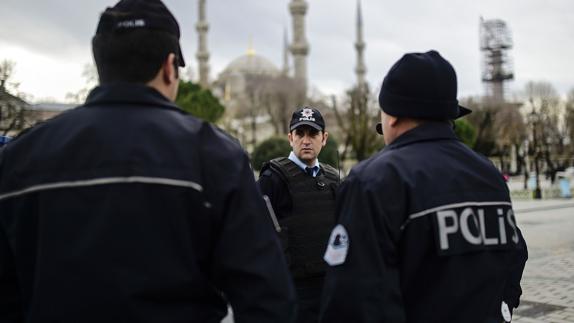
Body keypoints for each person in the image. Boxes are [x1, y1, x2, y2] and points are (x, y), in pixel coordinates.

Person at [0, 1, 296, 322]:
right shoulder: (214, 155)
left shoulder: (20, 157)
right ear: (170, 67)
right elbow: (267, 297)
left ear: (102, 64)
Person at [320, 50, 528, 323]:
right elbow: (514, 254)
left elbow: (352, 301)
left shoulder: (373, 181)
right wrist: (503, 307)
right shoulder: (487, 173)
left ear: (392, 115)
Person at [258, 107, 340, 323]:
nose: (306, 140)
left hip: (329, 286)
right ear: (290, 138)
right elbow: (255, 236)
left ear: (324, 138)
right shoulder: (272, 178)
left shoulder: (333, 178)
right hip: (292, 289)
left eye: (312, 134)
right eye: (300, 134)